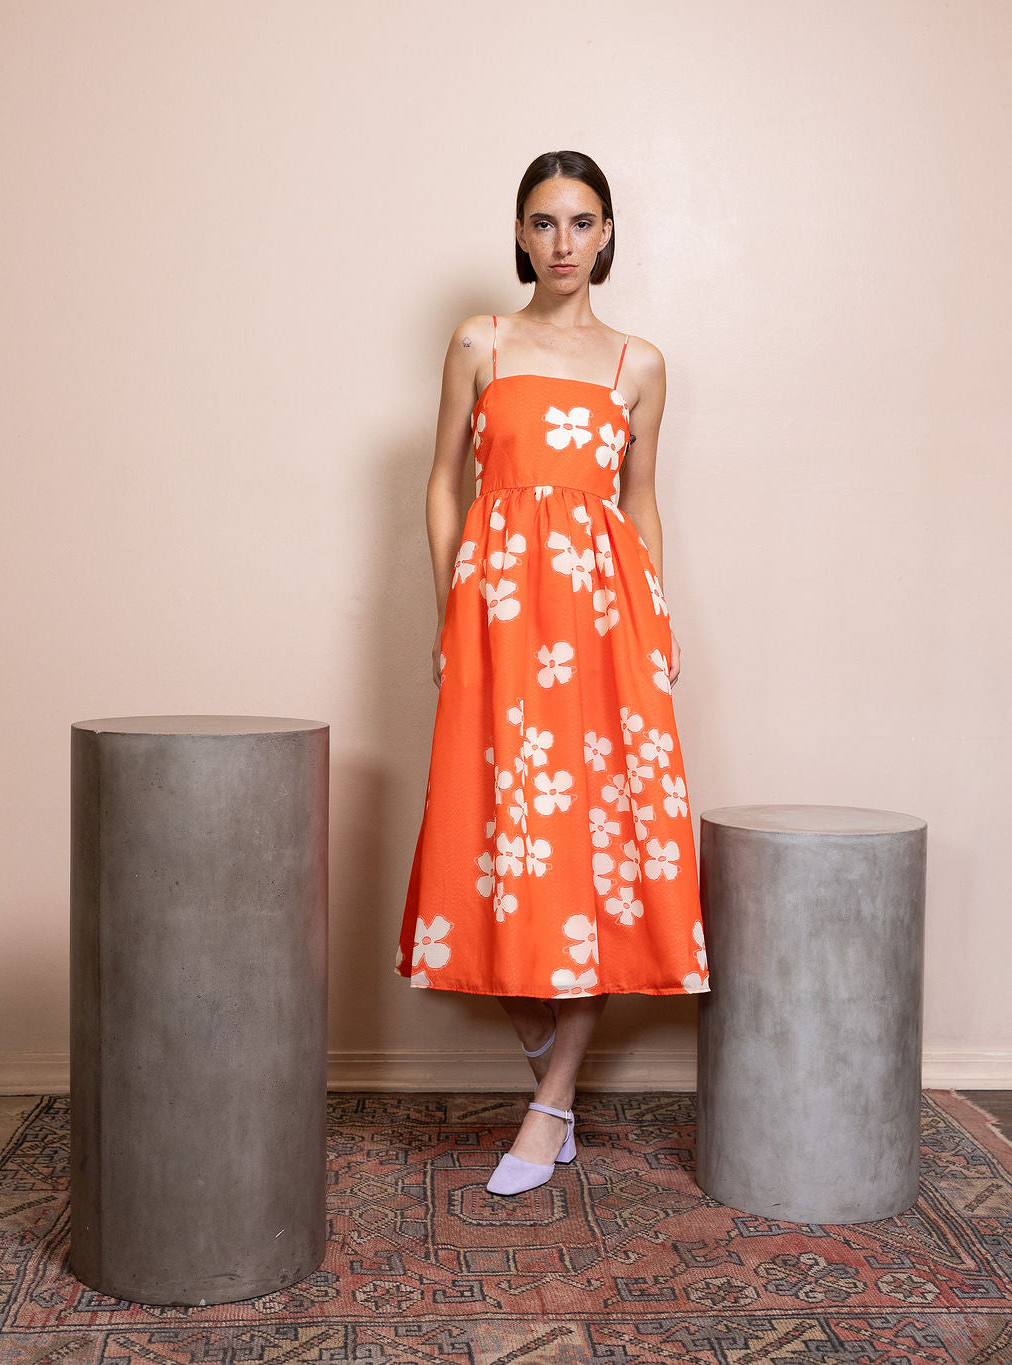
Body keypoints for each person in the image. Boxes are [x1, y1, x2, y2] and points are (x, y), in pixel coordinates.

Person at [396, 151, 708, 1196]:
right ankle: (552, 1082)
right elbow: (442, 483)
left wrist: (655, 627)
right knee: (494, 848)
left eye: (583, 222)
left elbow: (641, 501)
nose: (564, 243)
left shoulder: (639, 363)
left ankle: (550, 1107)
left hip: (607, 622)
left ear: (608, 234)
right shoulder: (480, 342)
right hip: (498, 621)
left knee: (595, 857)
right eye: (544, 223)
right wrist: (455, 606)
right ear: (520, 235)